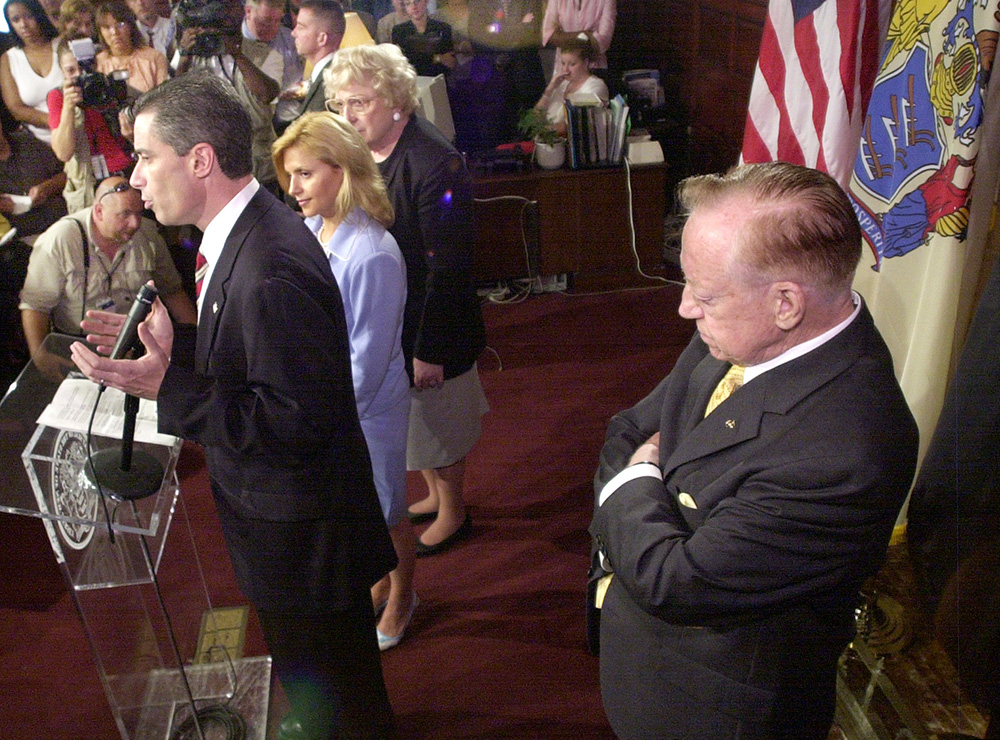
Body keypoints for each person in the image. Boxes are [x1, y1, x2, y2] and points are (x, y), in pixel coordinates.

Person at [69, 72, 397, 740]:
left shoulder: (269, 264)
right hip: (292, 532)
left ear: (200, 160)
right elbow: (255, 362)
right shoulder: (242, 237)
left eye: (145, 157)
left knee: (342, 706)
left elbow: (293, 423)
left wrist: (168, 386)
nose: (133, 178)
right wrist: (179, 352)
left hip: (306, 542)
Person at [589, 162, 920, 740]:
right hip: (645, 662)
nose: (685, 308)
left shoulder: (846, 450)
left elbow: (674, 581)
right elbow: (627, 429)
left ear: (786, 303)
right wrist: (642, 479)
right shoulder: (741, 326)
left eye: (704, 294)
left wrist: (638, 478)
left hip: (710, 709)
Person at [325, 44, 487, 556]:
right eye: (339, 105)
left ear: (396, 100)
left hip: (433, 323)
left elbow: (449, 267)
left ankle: (454, 508)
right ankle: (436, 496)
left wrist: (429, 348)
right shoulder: (367, 151)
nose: (347, 116)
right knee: (414, 428)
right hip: (394, 319)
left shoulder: (435, 162)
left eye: (359, 103)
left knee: (440, 429)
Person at [273, 110, 417, 650]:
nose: (293, 189)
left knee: (387, 509)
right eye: (289, 175)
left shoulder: (372, 253)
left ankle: (404, 597)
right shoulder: (311, 230)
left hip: (369, 409)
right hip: (330, 403)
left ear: (343, 169)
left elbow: (367, 362)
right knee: (360, 507)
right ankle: (380, 581)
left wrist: (316, 418)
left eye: (305, 174)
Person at [20, 176, 195, 380]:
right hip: (77, 346)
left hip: (135, 344)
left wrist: (198, 340)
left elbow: (172, 291)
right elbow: (35, 306)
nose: (135, 223)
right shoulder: (61, 239)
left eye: (139, 213)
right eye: (125, 215)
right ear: (99, 211)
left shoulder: (148, 235)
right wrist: (41, 357)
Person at [174, 0, 281, 191]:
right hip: (216, 168)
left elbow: (266, 94)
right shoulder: (193, 56)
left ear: (240, 12)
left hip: (259, 167)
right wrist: (184, 58)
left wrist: (237, 54)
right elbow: (176, 99)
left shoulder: (264, 53)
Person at [49, 34, 134, 211]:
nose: (81, 75)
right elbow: (64, 153)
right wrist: (69, 107)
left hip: (127, 172)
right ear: (62, 72)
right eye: (71, 71)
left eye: (85, 67)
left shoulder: (108, 85)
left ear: (95, 64)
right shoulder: (58, 96)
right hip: (91, 183)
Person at [1, 0, 62, 144]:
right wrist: (55, 122)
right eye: (16, 20)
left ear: (38, 15)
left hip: (80, 130)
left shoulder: (63, 45)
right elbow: (15, 108)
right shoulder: (8, 59)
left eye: (28, 16)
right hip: (40, 143)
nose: (23, 25)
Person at [280, 0, 344, 134]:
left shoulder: (333, 84)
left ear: (322, 38)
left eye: (301, 27)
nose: (293, 33)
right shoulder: (325, 77)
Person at [243, 0, 304, 132]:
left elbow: (303, 80)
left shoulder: (290, 40)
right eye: (266, 20)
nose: (273, 27)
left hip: (289, 123)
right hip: (249, 128)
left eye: (278, 20)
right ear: (248, 12)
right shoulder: (234, 44)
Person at [534, 34, 607, 137]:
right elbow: (534, 118)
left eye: (572, 64)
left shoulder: (595, 86)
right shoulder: (561, 84)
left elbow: (572, 125)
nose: (566, 70)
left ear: (586, 63)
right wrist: (549, 89)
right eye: (563, 63)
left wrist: (541, 130)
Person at [94, 0, 169, 94]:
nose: (114, 32)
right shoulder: (97, 63)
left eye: (120, 25)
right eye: (107, 27)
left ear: (130, 26)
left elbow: (164, 99)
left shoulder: (154, 58)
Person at [541, 0, 614, 76]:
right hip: (563, 70)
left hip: (594, 70)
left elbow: (603, 42)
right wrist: (587, 35)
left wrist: (563, 37)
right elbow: (548, 36)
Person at [391, 0, 454, 78]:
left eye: (417, 1)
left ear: (426, 1)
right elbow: (404, 60)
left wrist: (417, 57)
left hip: (439, 80)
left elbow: (450, 62)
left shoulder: (443, 28)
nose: (414, 7)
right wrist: (438, 57)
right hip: (411, 80)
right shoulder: (399, 30)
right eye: (408, 4)